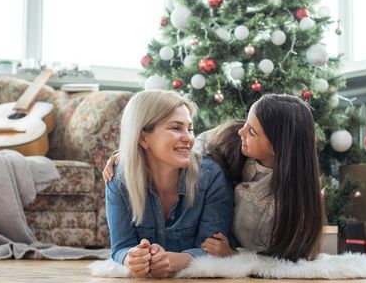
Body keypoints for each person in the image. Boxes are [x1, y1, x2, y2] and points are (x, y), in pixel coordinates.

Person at [103, 94, 324, 263]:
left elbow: (277, 258)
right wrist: (131, 152)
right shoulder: (230, 139)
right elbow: (191, 145)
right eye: (245, 123)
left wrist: (233, 254)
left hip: (243, 252)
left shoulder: (288, 201)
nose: (241, 132)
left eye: (252, 131)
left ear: (277, 147)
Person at [105, 90, 234, 278]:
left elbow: (213, 249)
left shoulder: (211, 176)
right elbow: (120, 247)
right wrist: (131, 259)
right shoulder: (117, 179)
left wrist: (175, 261)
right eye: (176, 128)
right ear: (142, 138)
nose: (189, 139)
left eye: (189, 129)